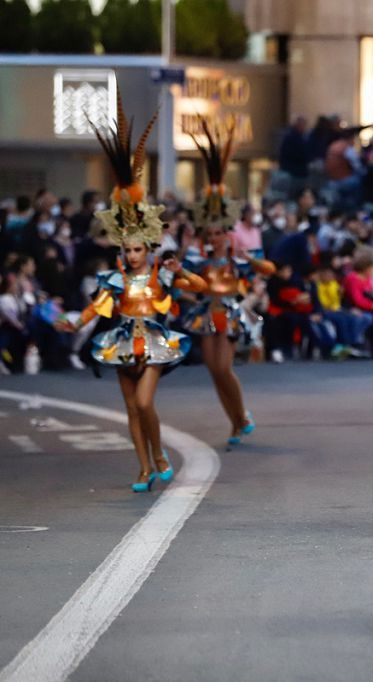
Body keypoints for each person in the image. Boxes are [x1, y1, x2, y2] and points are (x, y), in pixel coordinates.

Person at [57, 98, 207, 492]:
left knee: (144, 403)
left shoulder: (161, 273)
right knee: (129, 407)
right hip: (122, 341)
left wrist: (183, 271)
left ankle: (159, 455)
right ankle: (143, 468)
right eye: (128, 249)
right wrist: (74, 321)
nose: (131, 254)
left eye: (138, 249)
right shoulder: (114, 278)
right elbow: (96, 308)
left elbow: (200, 288)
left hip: (154, 341)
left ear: (148, 249)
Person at [183, 119, 276, 446]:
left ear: (227, 231)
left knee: (224, 368)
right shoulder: (200, 258)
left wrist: (247, 257)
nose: (215, 237)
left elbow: (269, 269)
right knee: (213, 372)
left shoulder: (238, 256)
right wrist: (186, 245)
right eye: (210, 233)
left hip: (231, 314)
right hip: (208, 313)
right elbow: (183, 279)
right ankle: (236, 422)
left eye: (219, 232)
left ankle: (242, 415)